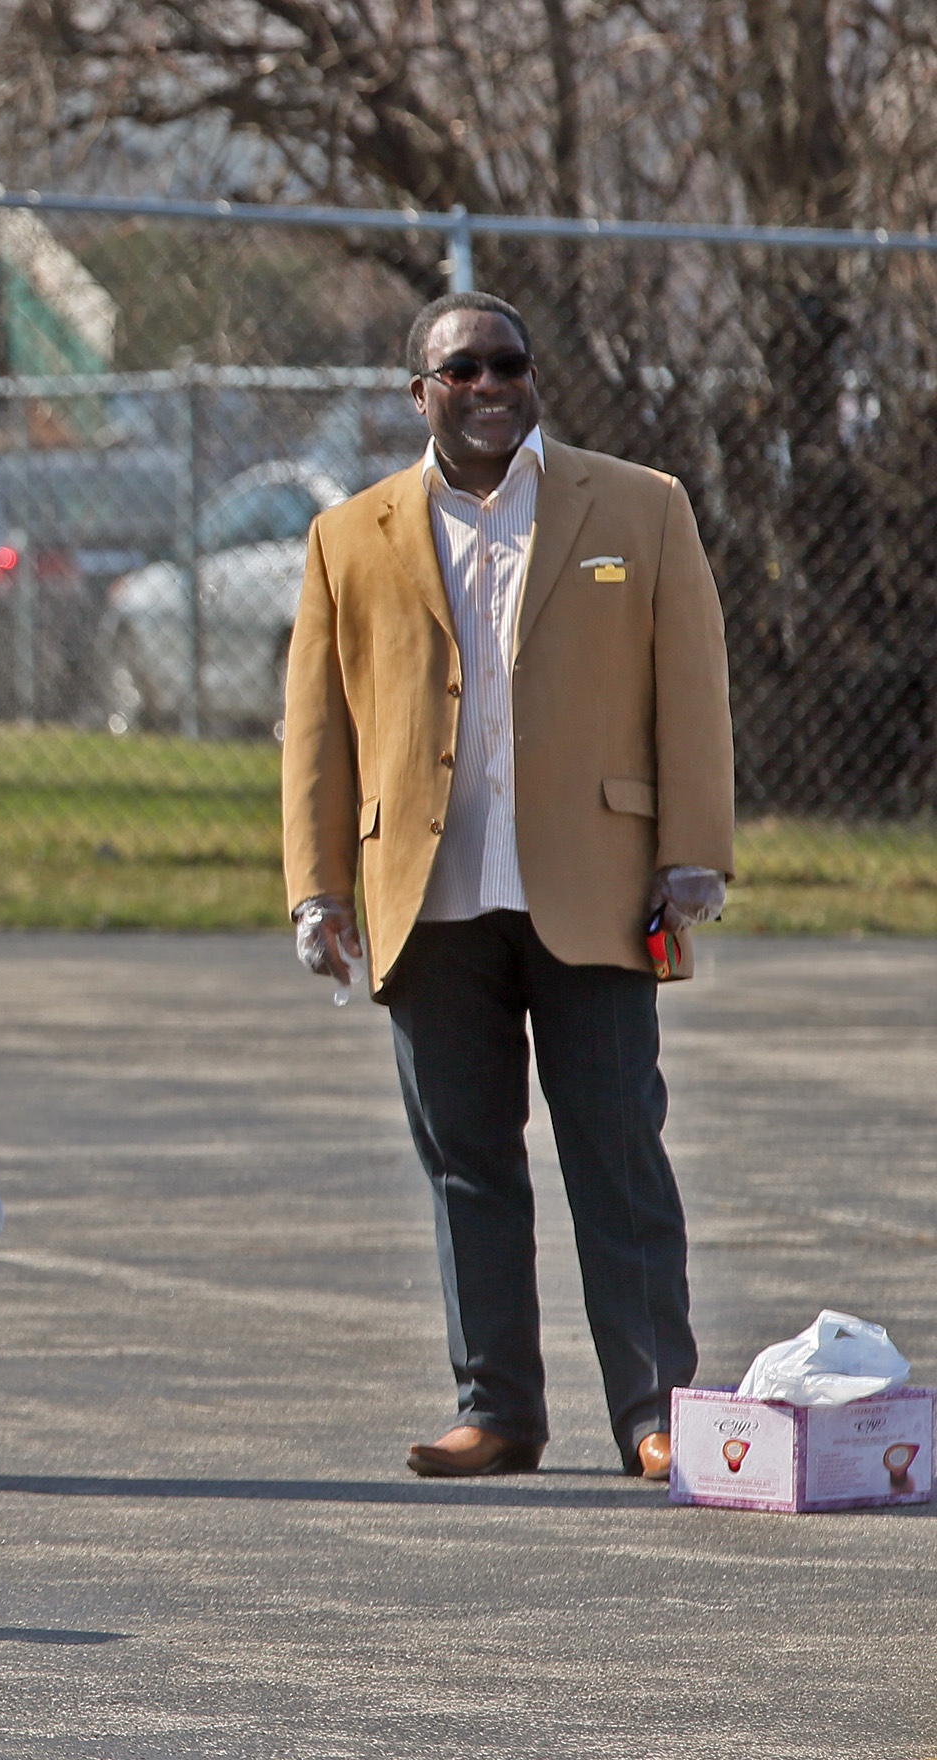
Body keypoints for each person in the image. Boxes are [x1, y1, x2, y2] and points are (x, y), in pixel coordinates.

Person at [283, 290, 734, 1484]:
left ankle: (656, 1410)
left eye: (510, 363)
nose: (491, 386)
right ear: (418, 393)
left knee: (618, 1156)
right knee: (467, 1163)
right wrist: (318, 888)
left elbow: (692, 687)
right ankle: (497, 1408)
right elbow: (317, 729)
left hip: (597, 886)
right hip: (427, 898)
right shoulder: (349, 534)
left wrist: (694, 847)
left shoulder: (639, 505)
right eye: (463, 369)